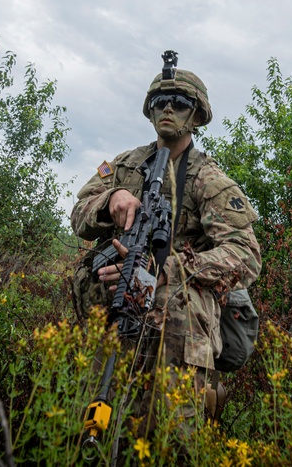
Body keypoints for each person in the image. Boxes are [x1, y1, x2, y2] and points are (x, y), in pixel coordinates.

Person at [70, 54, 261, 383]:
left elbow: (246, 255)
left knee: (165, 405)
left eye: (180, 103)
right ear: (150, 111)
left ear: (196, 116)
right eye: (160, 102)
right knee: (97, 391)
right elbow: (79, 213)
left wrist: (168, 269)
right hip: (112, 298)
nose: (168, 108)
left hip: (175, 311)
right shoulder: (123, 165)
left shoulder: (209, 180)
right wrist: (109, 200)